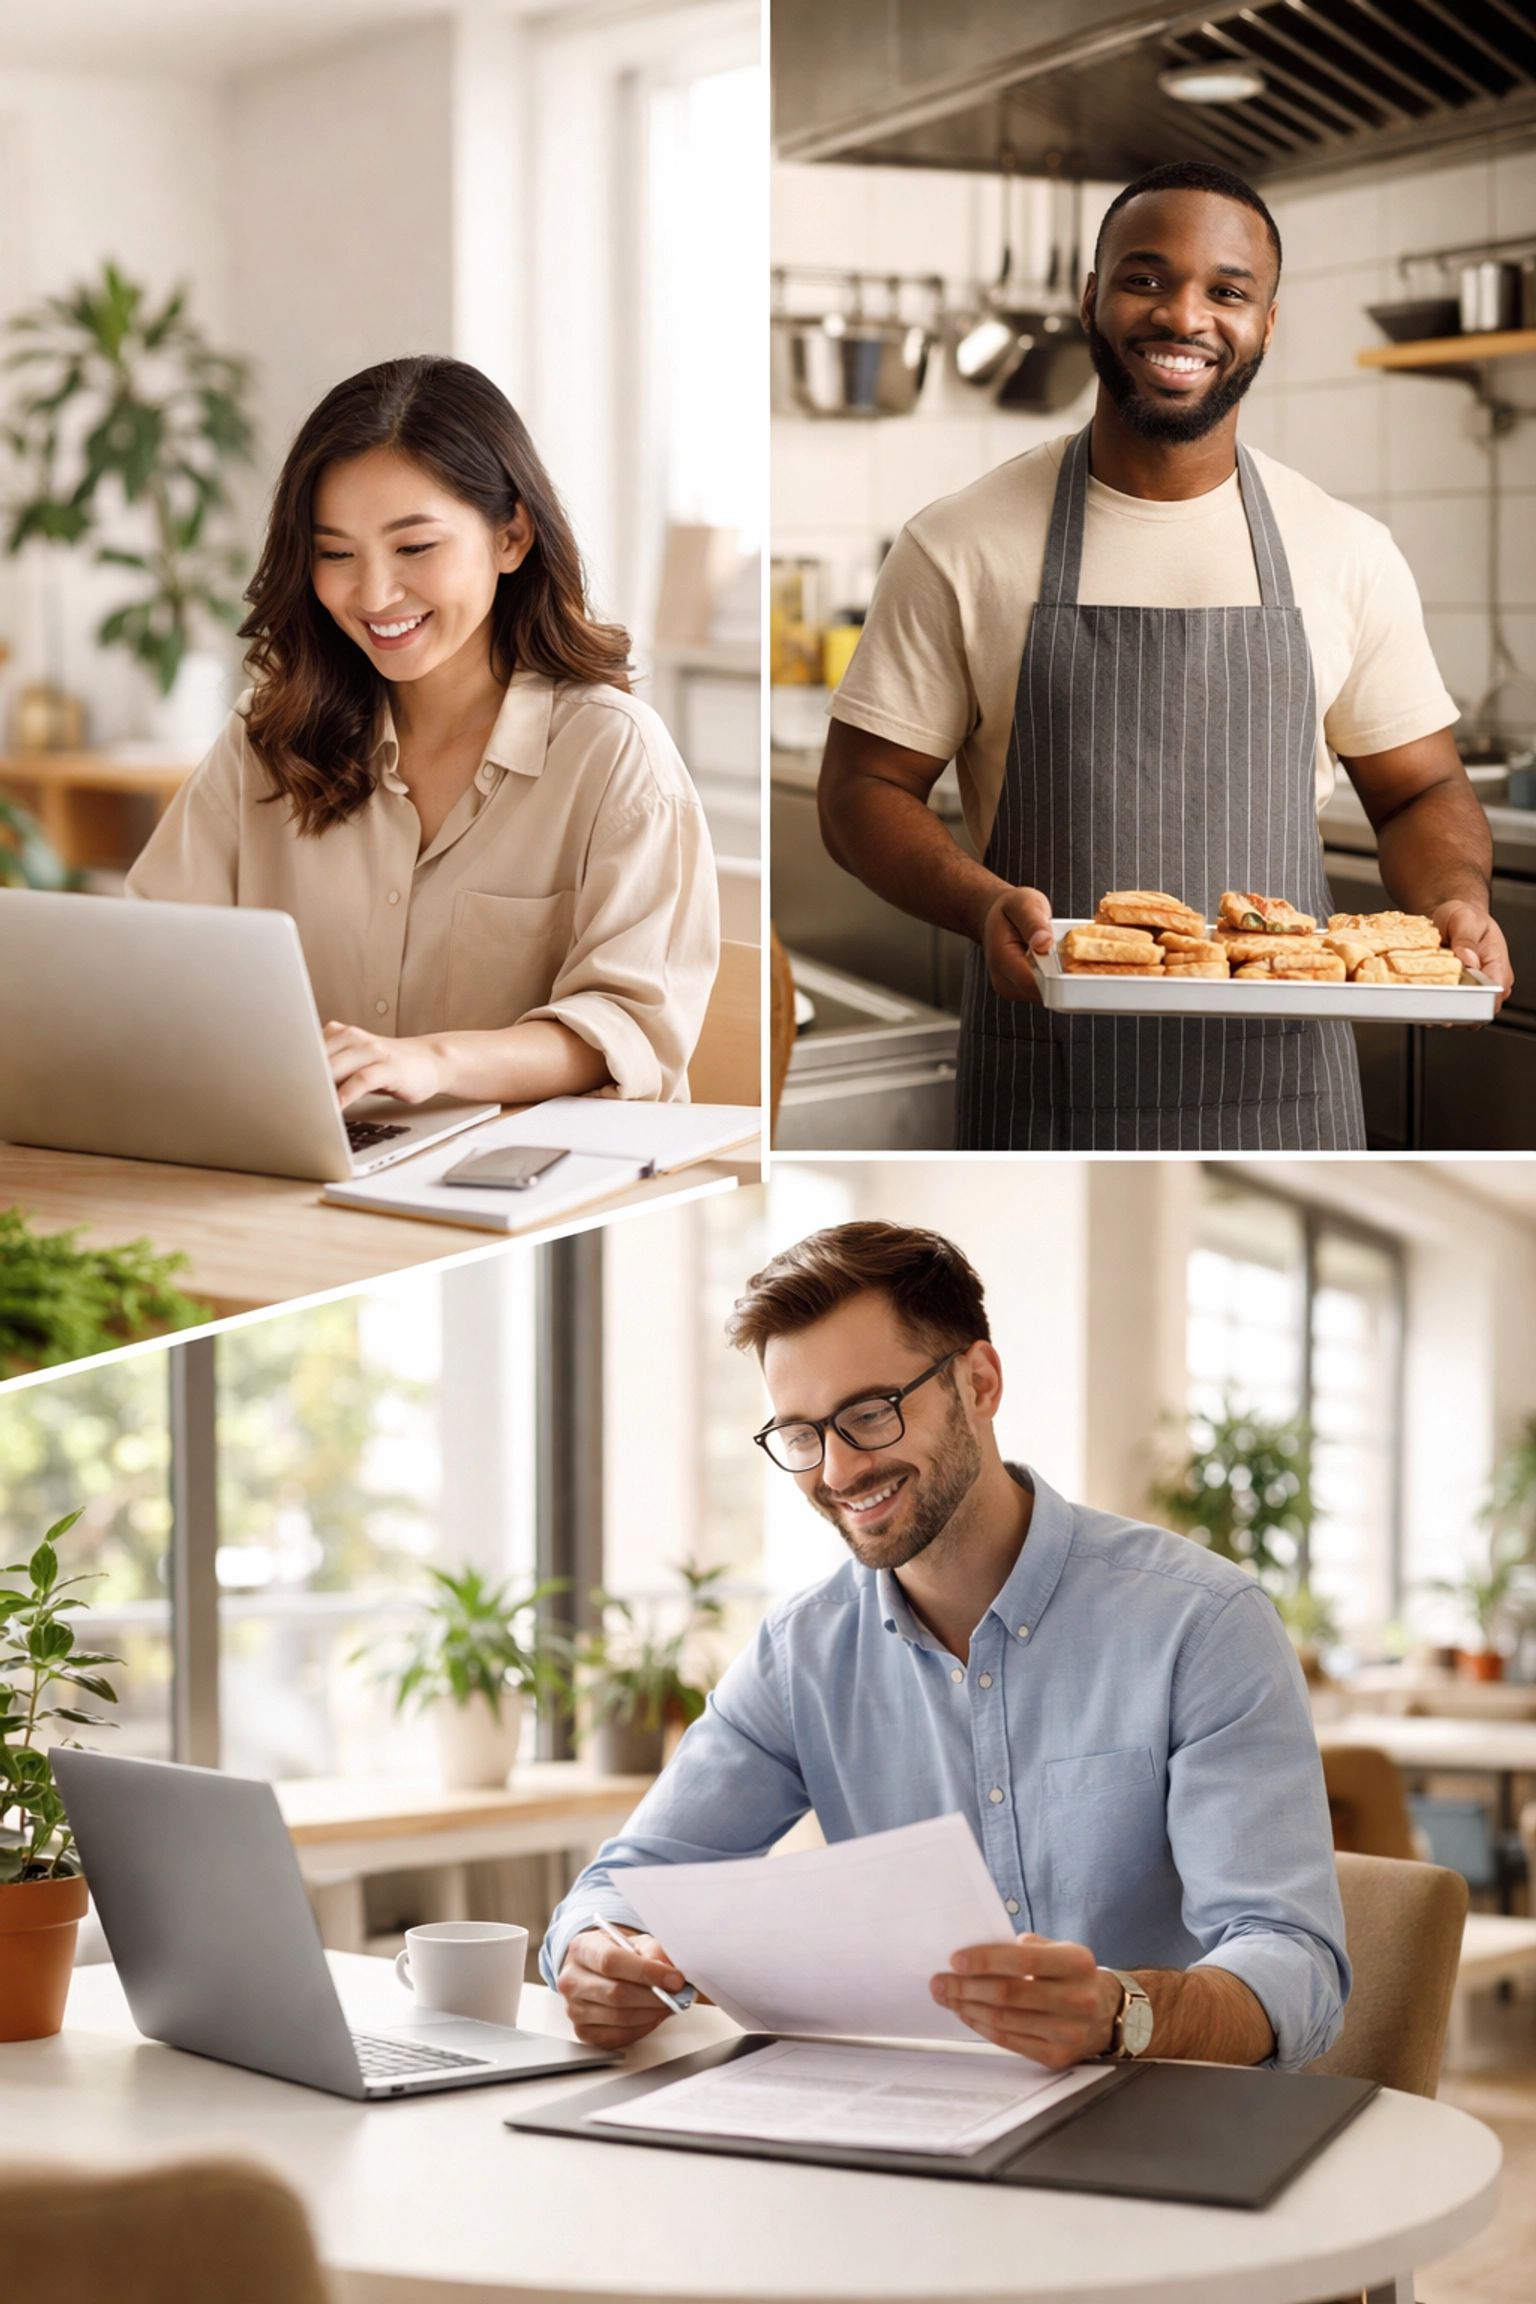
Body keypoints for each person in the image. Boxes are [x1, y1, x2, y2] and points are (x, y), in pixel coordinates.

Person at [816, 160, 1514, 1152]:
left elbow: (1419, 790)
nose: (1183, 315)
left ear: (1268, 323)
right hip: (1047, 1079)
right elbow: (859, 792)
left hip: (1288, 1092)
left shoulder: (1343, 550)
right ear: (1090, 297)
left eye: (1227, 291)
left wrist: (1454, 903)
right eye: (1145, 278)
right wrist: (982, 907)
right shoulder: (960, 542)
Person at [544, 1221, 1348, 2073]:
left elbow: (1295, 1964)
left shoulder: (1202, 1623)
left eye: (869, 1414)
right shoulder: (801, 1653)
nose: (837, 1470)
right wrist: (597, 1952)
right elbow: (622, 1883)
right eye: (801, 1434)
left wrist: (1121, 2013)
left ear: (980, 1382)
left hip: (1160, 2129)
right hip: (912, 2130)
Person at [128, 356, 718, 1109]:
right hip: (304, 1171)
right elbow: (150, 958)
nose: (372, 594)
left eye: (415, 548)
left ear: (511, 537)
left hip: (527, 1189)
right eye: (335, 553)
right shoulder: (268, 737)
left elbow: (628, 1028)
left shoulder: (613, 755)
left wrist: (431, 1063)